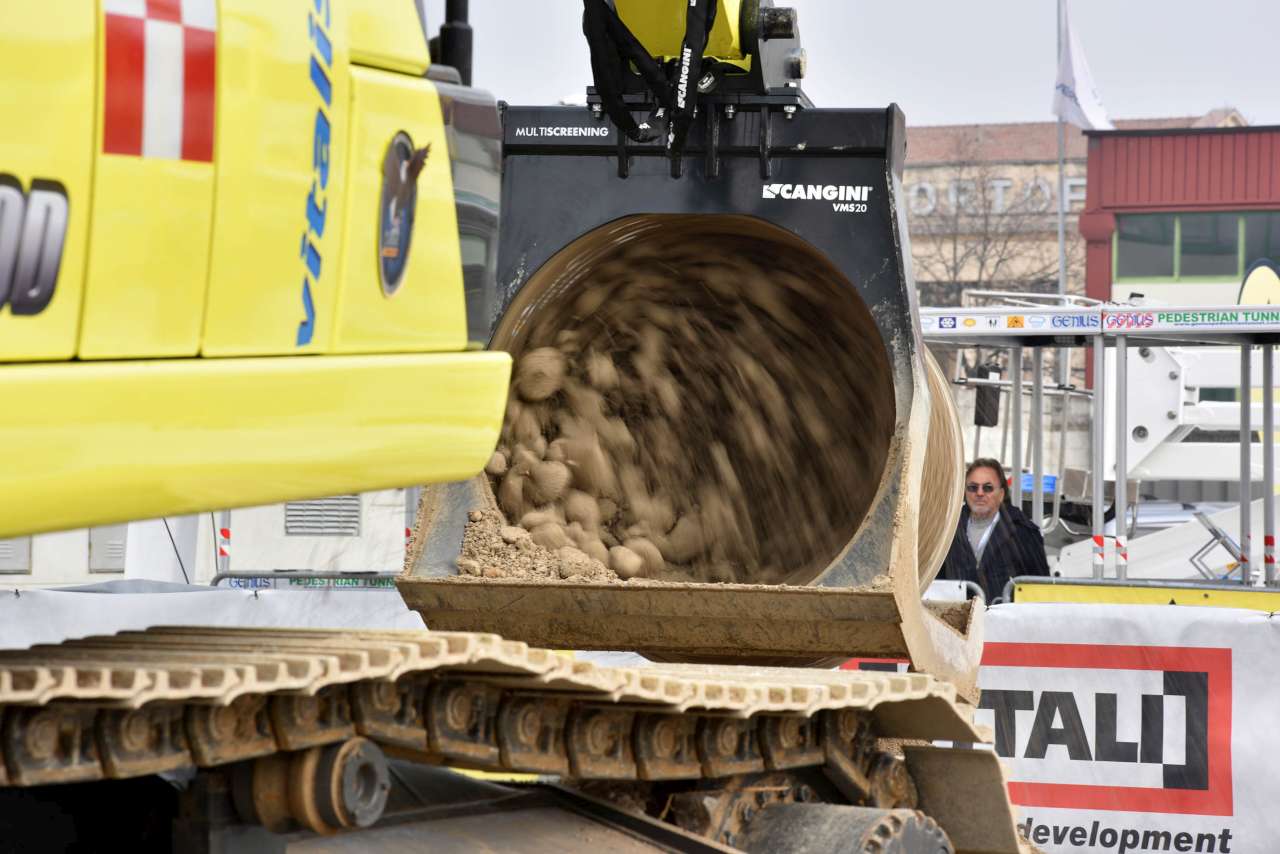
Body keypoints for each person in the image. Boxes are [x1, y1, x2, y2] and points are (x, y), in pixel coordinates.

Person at [939, 458, 1050, 601]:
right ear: (965, 492)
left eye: (988, 488)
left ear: (1001, 494)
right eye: (973, 487)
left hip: (1004, 615)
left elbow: (1041, 589)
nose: (979, 493)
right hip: (957, 614)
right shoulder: (947, 531)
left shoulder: (1025, 534)